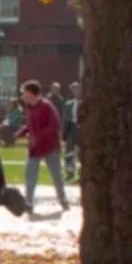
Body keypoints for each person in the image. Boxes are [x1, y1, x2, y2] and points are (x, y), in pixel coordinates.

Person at [18, 81, 70, 213]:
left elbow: (54, 126)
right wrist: (20, 133)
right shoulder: (29, 107)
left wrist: (38, 136)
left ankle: (63, 199)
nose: (23, 96)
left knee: (56, 175)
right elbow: (30, 125)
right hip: (35, 147)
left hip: (50, 146)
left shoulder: (47, 106)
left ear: (31, 93)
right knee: (30, 174)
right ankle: (29, 202)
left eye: (25, 93)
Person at [63, 81, 81, 181]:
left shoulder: (85, 102)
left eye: (78, 89)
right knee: (68, 152)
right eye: (74, 90)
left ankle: (80, 173)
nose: (77, 92)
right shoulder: (68, 104)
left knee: (80, 151)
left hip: (81, 128)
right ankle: (70, 172)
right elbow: (65, 120)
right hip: (71, 128)